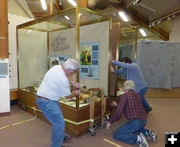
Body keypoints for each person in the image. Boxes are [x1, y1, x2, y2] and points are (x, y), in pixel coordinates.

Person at [36, 58, 81, 147]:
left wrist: (72, 82)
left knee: (58, 120)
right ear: (70, 70)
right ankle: (56, 145)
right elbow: (68, 96)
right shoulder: (63, 79)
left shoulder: (57, 67)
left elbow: (63, 76)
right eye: (74, 72)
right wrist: (77, 92)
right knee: (59, 123)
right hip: (47, 101)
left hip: (46, 98)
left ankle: (59, 136)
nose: (73, 74)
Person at [106, 80, 157, 147]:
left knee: (117, 134)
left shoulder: (125, 96)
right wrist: (117, 105)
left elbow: (119, 112)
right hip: (143, 121)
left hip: (135, 122)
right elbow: (128, 107)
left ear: (125, 88)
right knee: (134, 130)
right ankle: (148, 133)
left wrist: (110, 121)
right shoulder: (138, 95)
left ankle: (138, 139)